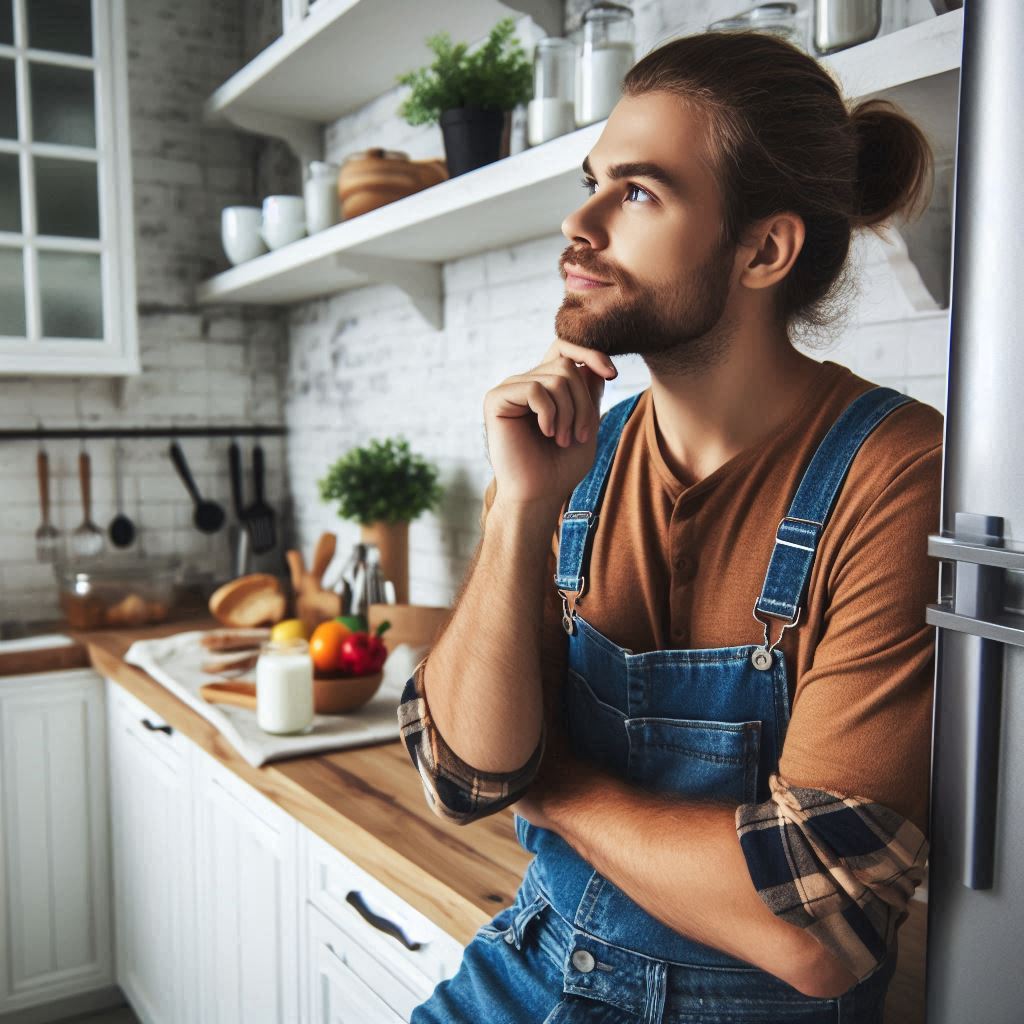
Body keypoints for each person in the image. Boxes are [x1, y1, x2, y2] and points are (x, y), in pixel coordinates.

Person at [399, 27, 940, 1024]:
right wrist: (520, 503)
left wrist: (552, 783)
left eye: (638, 192)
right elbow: (460, 775)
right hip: (531, 958)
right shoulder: (569, 453)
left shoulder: (894, 469)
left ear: (763, 248)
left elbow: (818, 931)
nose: (579, 220)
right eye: (593, 180)